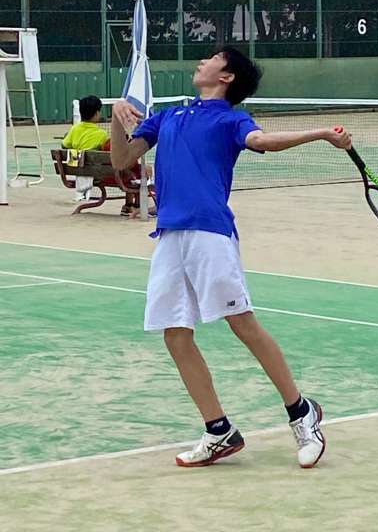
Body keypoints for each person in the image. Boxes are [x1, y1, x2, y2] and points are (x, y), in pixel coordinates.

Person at [111, 46, 351, 469]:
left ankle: (301, 412)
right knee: (175, 333)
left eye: (212, 59)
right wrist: (116, 118)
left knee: (241, 322)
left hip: (210, 233)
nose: (202, 62)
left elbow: (262, 141)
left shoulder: (231, 120)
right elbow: (122, 159)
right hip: (169, 234)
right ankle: (218, 430)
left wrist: (319, 133)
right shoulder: (168, 117)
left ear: (226, 77)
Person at [63, 95, 109, 202]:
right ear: (96, 113)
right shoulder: (102, 134)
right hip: (95, 173)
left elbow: (64, 145)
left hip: (76, 170)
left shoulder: (74, 129)